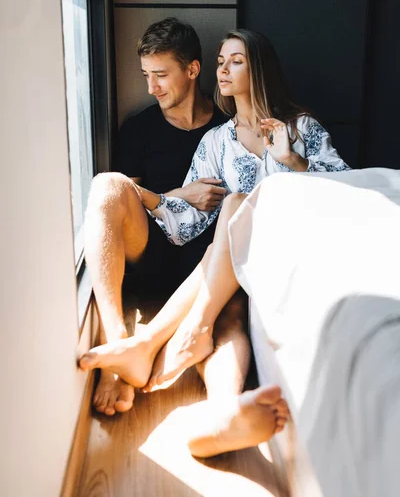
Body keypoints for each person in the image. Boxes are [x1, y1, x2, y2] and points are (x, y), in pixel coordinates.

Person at [80, 29, 350, 454]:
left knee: (237, 205)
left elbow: (347, 192)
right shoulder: (216, 141)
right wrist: (170, 198)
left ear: (258, 67)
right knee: (232, 262)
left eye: (235, 61)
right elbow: (185, 222)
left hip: (288, 254)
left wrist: (293, 162)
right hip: (234, 263)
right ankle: (224, 414)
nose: (223, 68)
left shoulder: (301, 129)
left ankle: (157, 341)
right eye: (221, 61)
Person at [84, 17, 227, 416]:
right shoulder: (139, 128)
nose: (151, 87)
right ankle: (118, 348)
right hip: (153, 247)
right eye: (146, 75)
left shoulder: (228, 130)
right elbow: (124, 201)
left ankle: (224, 408)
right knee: (107, 185)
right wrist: (180, 195)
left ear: (192, 69)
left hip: (210, 262)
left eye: (160, 75)